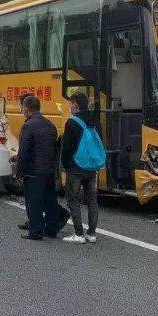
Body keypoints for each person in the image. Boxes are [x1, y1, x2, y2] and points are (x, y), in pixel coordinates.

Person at [17, 94, 69, 240]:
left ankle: (36, 231)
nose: (21, 110)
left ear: (26, 109)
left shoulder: (28, 126)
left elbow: (23, 152)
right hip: (49, 169)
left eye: (21, 107)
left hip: (33, 170)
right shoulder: (50, 124)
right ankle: (52, 229)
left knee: (33, 202)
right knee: (49, 199)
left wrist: (19, 172)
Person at [59, 91, 99, 243]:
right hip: (91, 166)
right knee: (92, 200)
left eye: (70, 103)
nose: (69, 106)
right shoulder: (93, 120)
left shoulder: (72, 122)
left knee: (73, 198)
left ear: (75, 105)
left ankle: (79, 234)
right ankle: (92, 234)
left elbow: (67, 147)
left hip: (75, 167)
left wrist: (65, 164)